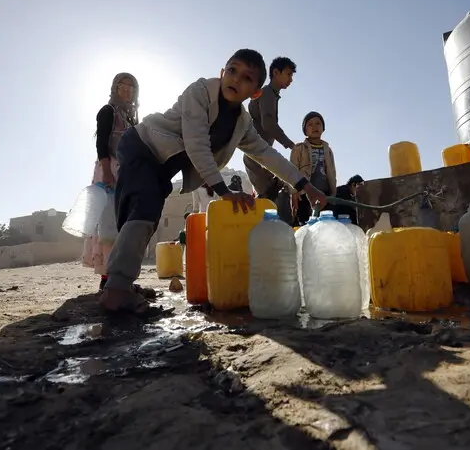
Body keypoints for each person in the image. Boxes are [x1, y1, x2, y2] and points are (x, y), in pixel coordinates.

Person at [100, 49, 327, 315]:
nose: (235, 79)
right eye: (232, 70)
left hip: (162, 165)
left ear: (255, 92)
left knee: (145, 216)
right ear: (222, 72)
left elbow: (267, 154)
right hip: (142, 145)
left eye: (246, 77)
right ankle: (116, 291)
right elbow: (197, 143)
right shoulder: (200, 92)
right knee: (143, 209)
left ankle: (123, 284)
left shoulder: (242, 124)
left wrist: (305, 186)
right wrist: (223, 190)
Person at [82, 73, 153, 299]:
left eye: (132, 87)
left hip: (128, 173)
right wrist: (106, 172)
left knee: (126, 224)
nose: (128, 90)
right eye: (123, 85)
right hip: (110, 171)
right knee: (110, 226)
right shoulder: (108, 112)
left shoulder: (132, 118)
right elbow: (102, 143)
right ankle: (108, 279)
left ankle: (123, 278)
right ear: (115, 87)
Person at [245, 56, 297, 201]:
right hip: (257, 154)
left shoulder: (272, 95)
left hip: (259, 154)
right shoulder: (267, 92)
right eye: (288, 74)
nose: (291, 79)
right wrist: (289, 144)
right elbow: (268, 124)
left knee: (272, 195)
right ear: (275, 72)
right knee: (268, 198)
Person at [290, 111, 337, 225]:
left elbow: (332, 173)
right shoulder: (299, 148)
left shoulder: (328, 150)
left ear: (323, 128)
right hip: (304, 194)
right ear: (305, 130)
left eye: (318, 123)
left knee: (325, 226)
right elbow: (292, 170)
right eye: (310, 124)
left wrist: (333, 194)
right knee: (306, 224)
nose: (315, 127)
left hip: (324, 194)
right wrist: (294, 193)